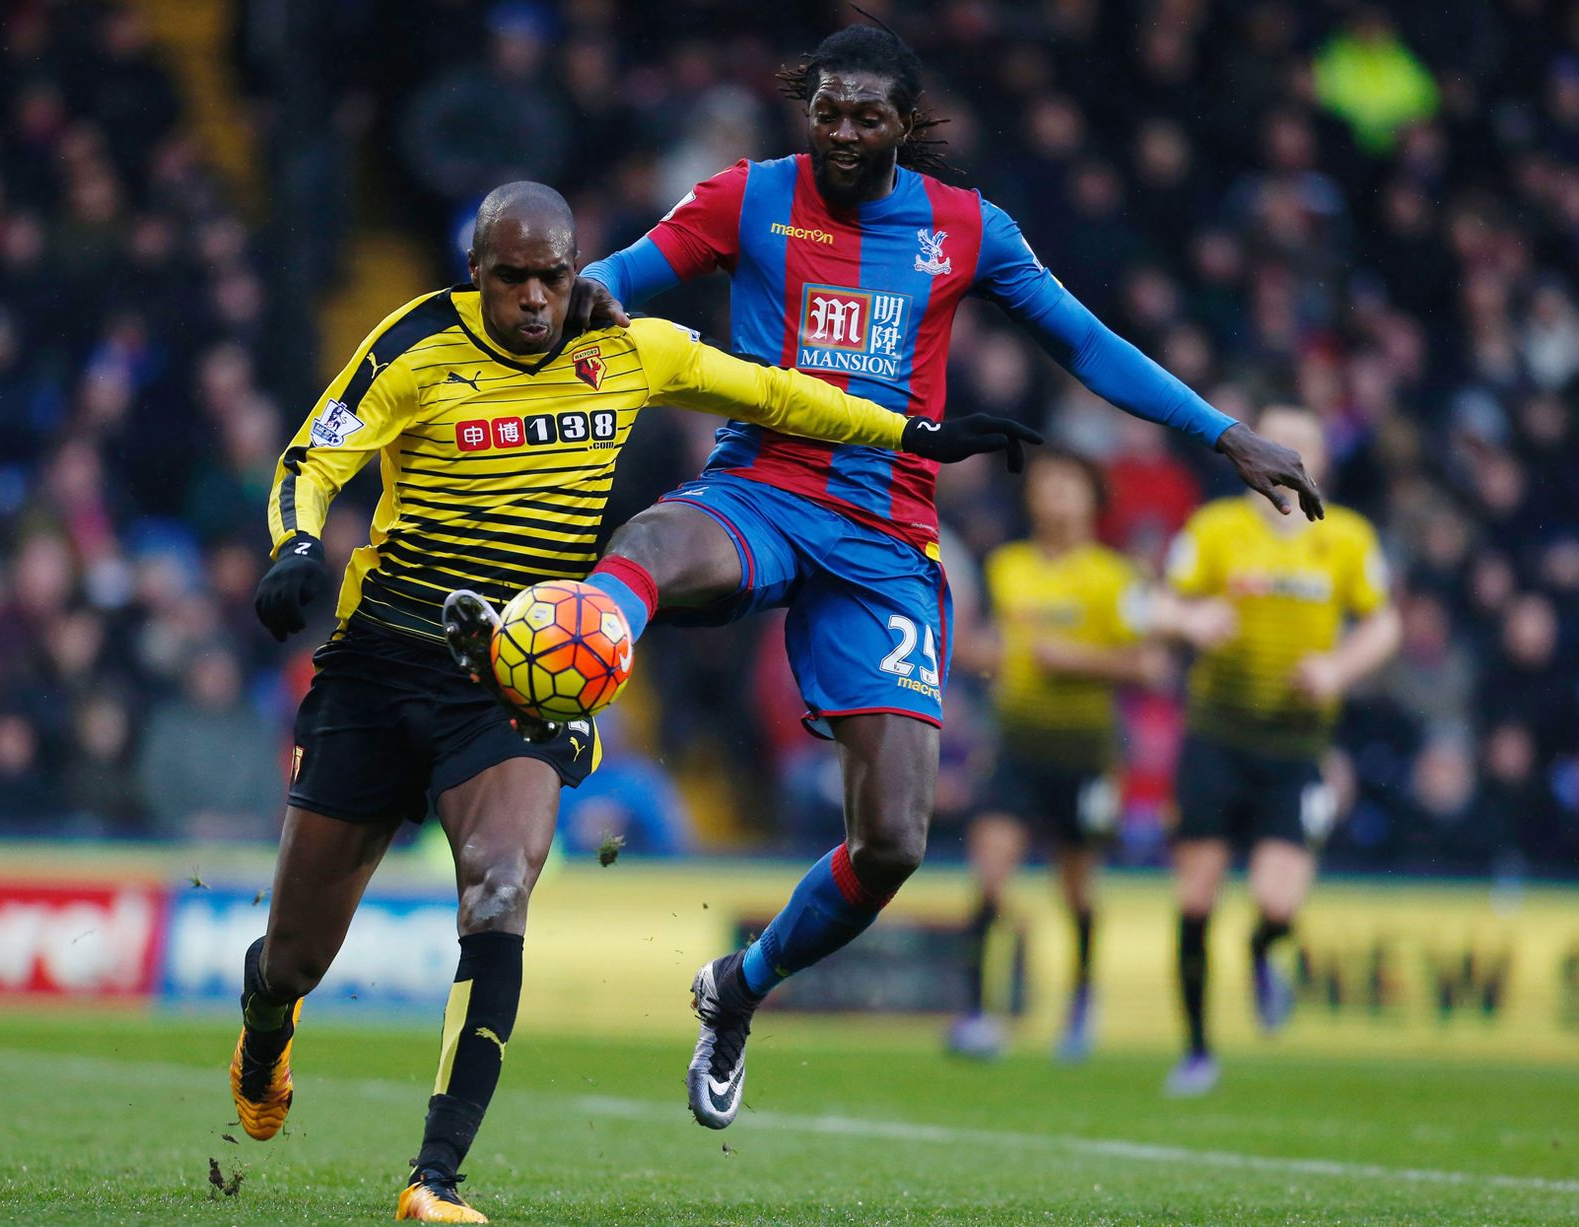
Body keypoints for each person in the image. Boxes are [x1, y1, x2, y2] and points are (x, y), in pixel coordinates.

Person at [229, 180, 1039, 1224]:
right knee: (294, 956)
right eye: (508, 278)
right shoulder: (415, 341)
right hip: (382, 666)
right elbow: (315, 452)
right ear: (475, 275)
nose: (531, 298)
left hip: (516, 672)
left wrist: (915, 434)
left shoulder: (630, 347)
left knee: (500, 887)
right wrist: (295, 541)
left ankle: (435, 1180)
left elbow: (774, 393)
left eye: (550, 277)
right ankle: (265, 1025)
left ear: (578, 272)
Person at [566, 21, 1322, 1129]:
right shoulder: (744, 197)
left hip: (884, 539)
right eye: (825, 112)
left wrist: (1223, 435)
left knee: (893, 842)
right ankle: (565, 679)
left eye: (867, 116)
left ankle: (739, 988)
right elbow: (622, 275)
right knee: (646, 547)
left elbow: (1086, 341)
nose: (842, 134)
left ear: (906, 125)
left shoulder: (965, 227)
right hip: (761, 490)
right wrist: (573, 292)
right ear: (804, 110)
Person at [1152, 405, 1400, 1097]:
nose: (1288, 454)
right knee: (1196, 895)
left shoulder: (1346, 536)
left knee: (1277, 901)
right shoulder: (1214, 529)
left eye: (1304, 444)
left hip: (1295, 743)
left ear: (1321, 457)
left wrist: (1338, 669)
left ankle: (1265, 954)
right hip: (1217, 735)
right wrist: (1191, 617)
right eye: (1275, 442)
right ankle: (1197, 1050)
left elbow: (1384, 623)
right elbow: (1158, 605)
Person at [948, 450, 1164, 1063]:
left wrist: (1073, 659)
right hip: (1015, 747)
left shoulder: (1117, 578)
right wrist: (976, 651)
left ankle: (1080, 1004)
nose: (1055, 497)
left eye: (1068, 486)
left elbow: (1150, 665)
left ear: (1092, 499)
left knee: (1076, 889)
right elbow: (985, 649)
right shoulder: (1009, 567)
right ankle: (975, 1013)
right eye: (1046, 486)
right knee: (989, 878)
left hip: (1085, 753)